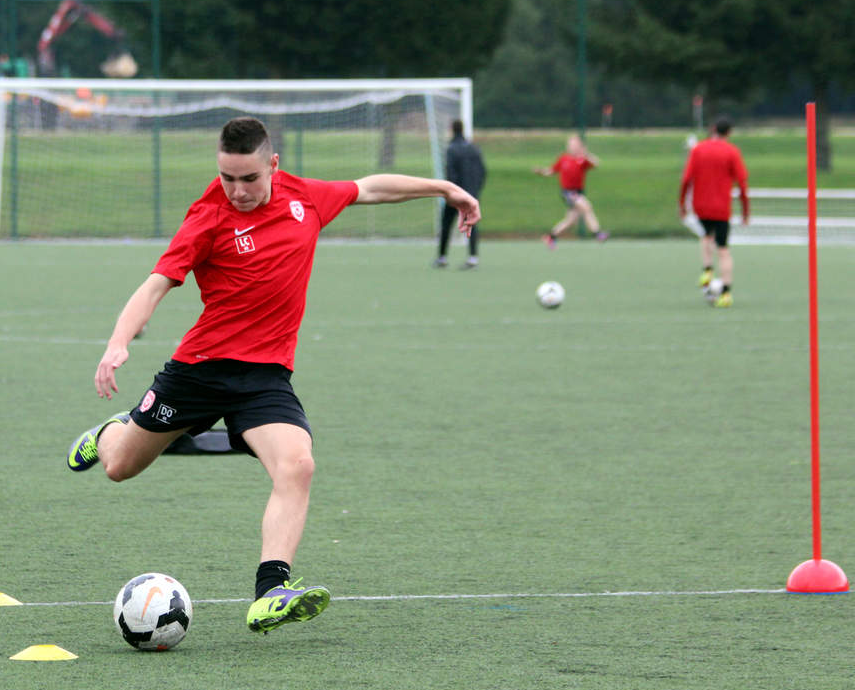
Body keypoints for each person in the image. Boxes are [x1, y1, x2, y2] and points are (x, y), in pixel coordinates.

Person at [67, 116, 480, 634]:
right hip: (198, 372)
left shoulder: (303, 197)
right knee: (120, 467)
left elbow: (369, 187)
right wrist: (117, 343)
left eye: (248, 179)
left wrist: (445, 188)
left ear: (273, 166)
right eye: (227, 178)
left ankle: (272, 591)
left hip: (264, 378)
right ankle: (111, 432)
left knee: (297, 465)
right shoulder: (207, 218)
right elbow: (155, 285)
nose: (236, 190)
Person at [679, 116, 748, 308]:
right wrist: (745, 211)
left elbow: (686, 180)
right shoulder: (732, 152)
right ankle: (726, 294)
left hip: (700, 206)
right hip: (721, 208)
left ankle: (707, 269)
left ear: (712, 129)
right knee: (724, 249)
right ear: (729, 133)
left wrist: (682, 204)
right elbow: (742, 183)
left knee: (706, 236)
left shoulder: (698, 149)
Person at [535, 134, 608, 246]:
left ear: (580, 146)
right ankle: (597, 234)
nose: (572, 147)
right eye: (570, 144)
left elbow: (596, 163)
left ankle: (550, 237)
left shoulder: (582, 159)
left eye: (575, 144)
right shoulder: (563, 158)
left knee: (571, 221)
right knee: (587, 206)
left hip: (578, 192)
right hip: (568, 192)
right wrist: (541, 172)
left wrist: (586, 154)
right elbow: (551, 171)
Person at [434, 119, 486, 270]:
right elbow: (483, 172)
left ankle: (442, 257)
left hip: (456, 194)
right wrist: (476, 191)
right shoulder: (474, 148)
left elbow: (450, 173)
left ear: (452, 129)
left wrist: (451, 194)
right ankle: (473, 257)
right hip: (472, 194)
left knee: (446, 224)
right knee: (471, 224)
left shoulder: (451, 149)